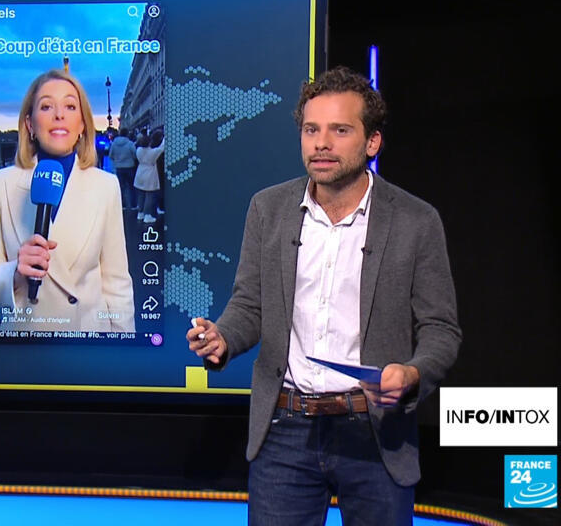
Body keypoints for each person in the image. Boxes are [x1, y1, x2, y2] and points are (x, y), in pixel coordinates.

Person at [186, 66, 461, 525]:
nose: (322, 143)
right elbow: (250, 304)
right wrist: (223, 338)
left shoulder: (416, 220)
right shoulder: (268, 209)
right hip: (285, 430)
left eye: (340, 130)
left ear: (372, 142)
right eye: (311, 130)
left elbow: (441, 330)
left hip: (374, 433)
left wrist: (412, 373)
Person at [0, 69, 135, 332]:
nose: (59, 115)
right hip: (23, 342)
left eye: (70, 106)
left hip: (87, 341)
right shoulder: (0, 183)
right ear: (30, 124)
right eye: (46, 106)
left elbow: (117, 282)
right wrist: (15, 272)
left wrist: (124, 345)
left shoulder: (106, 186)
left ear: (82, 125)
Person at [134, 131, 165, 223]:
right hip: (150, 174)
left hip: (140, 173)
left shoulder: (138, 150)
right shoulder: (153, 152)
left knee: (141, 194)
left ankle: (140, 213)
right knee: (149, 195)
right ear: (149, 142)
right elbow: (162, 148)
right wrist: (165, 138)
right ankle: (147, 215)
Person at [108, 127, 137, 210]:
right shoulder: (130, 143)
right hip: (129, 167)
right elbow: (135, 154)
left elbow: (111, 155)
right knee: (131, 186)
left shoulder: (114, 144)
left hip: (119, 167)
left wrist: (117, 160)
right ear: (127, 134)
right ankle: (133, 204)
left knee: (121, 187)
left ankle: (122, 204)